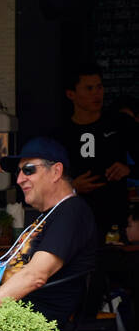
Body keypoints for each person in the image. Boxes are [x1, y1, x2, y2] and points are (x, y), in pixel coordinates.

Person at [0, 137, 98, 331]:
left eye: (28, 170)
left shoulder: (71, 212)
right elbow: (20, 269)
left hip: (34, 322)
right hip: (15, 315)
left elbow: (35, 276)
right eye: (19, 172)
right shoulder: (49, 215)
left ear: (56, 171)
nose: (20, 179)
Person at [59, 63, 139, 241]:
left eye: (99, 87)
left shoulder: (120, 123)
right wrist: (71, 187)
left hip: (115, 224)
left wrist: (129, 169)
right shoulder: (61, 132)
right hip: (74, 224)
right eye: (89, 88)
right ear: (71, 94)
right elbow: (44, 183)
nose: (97, 93)